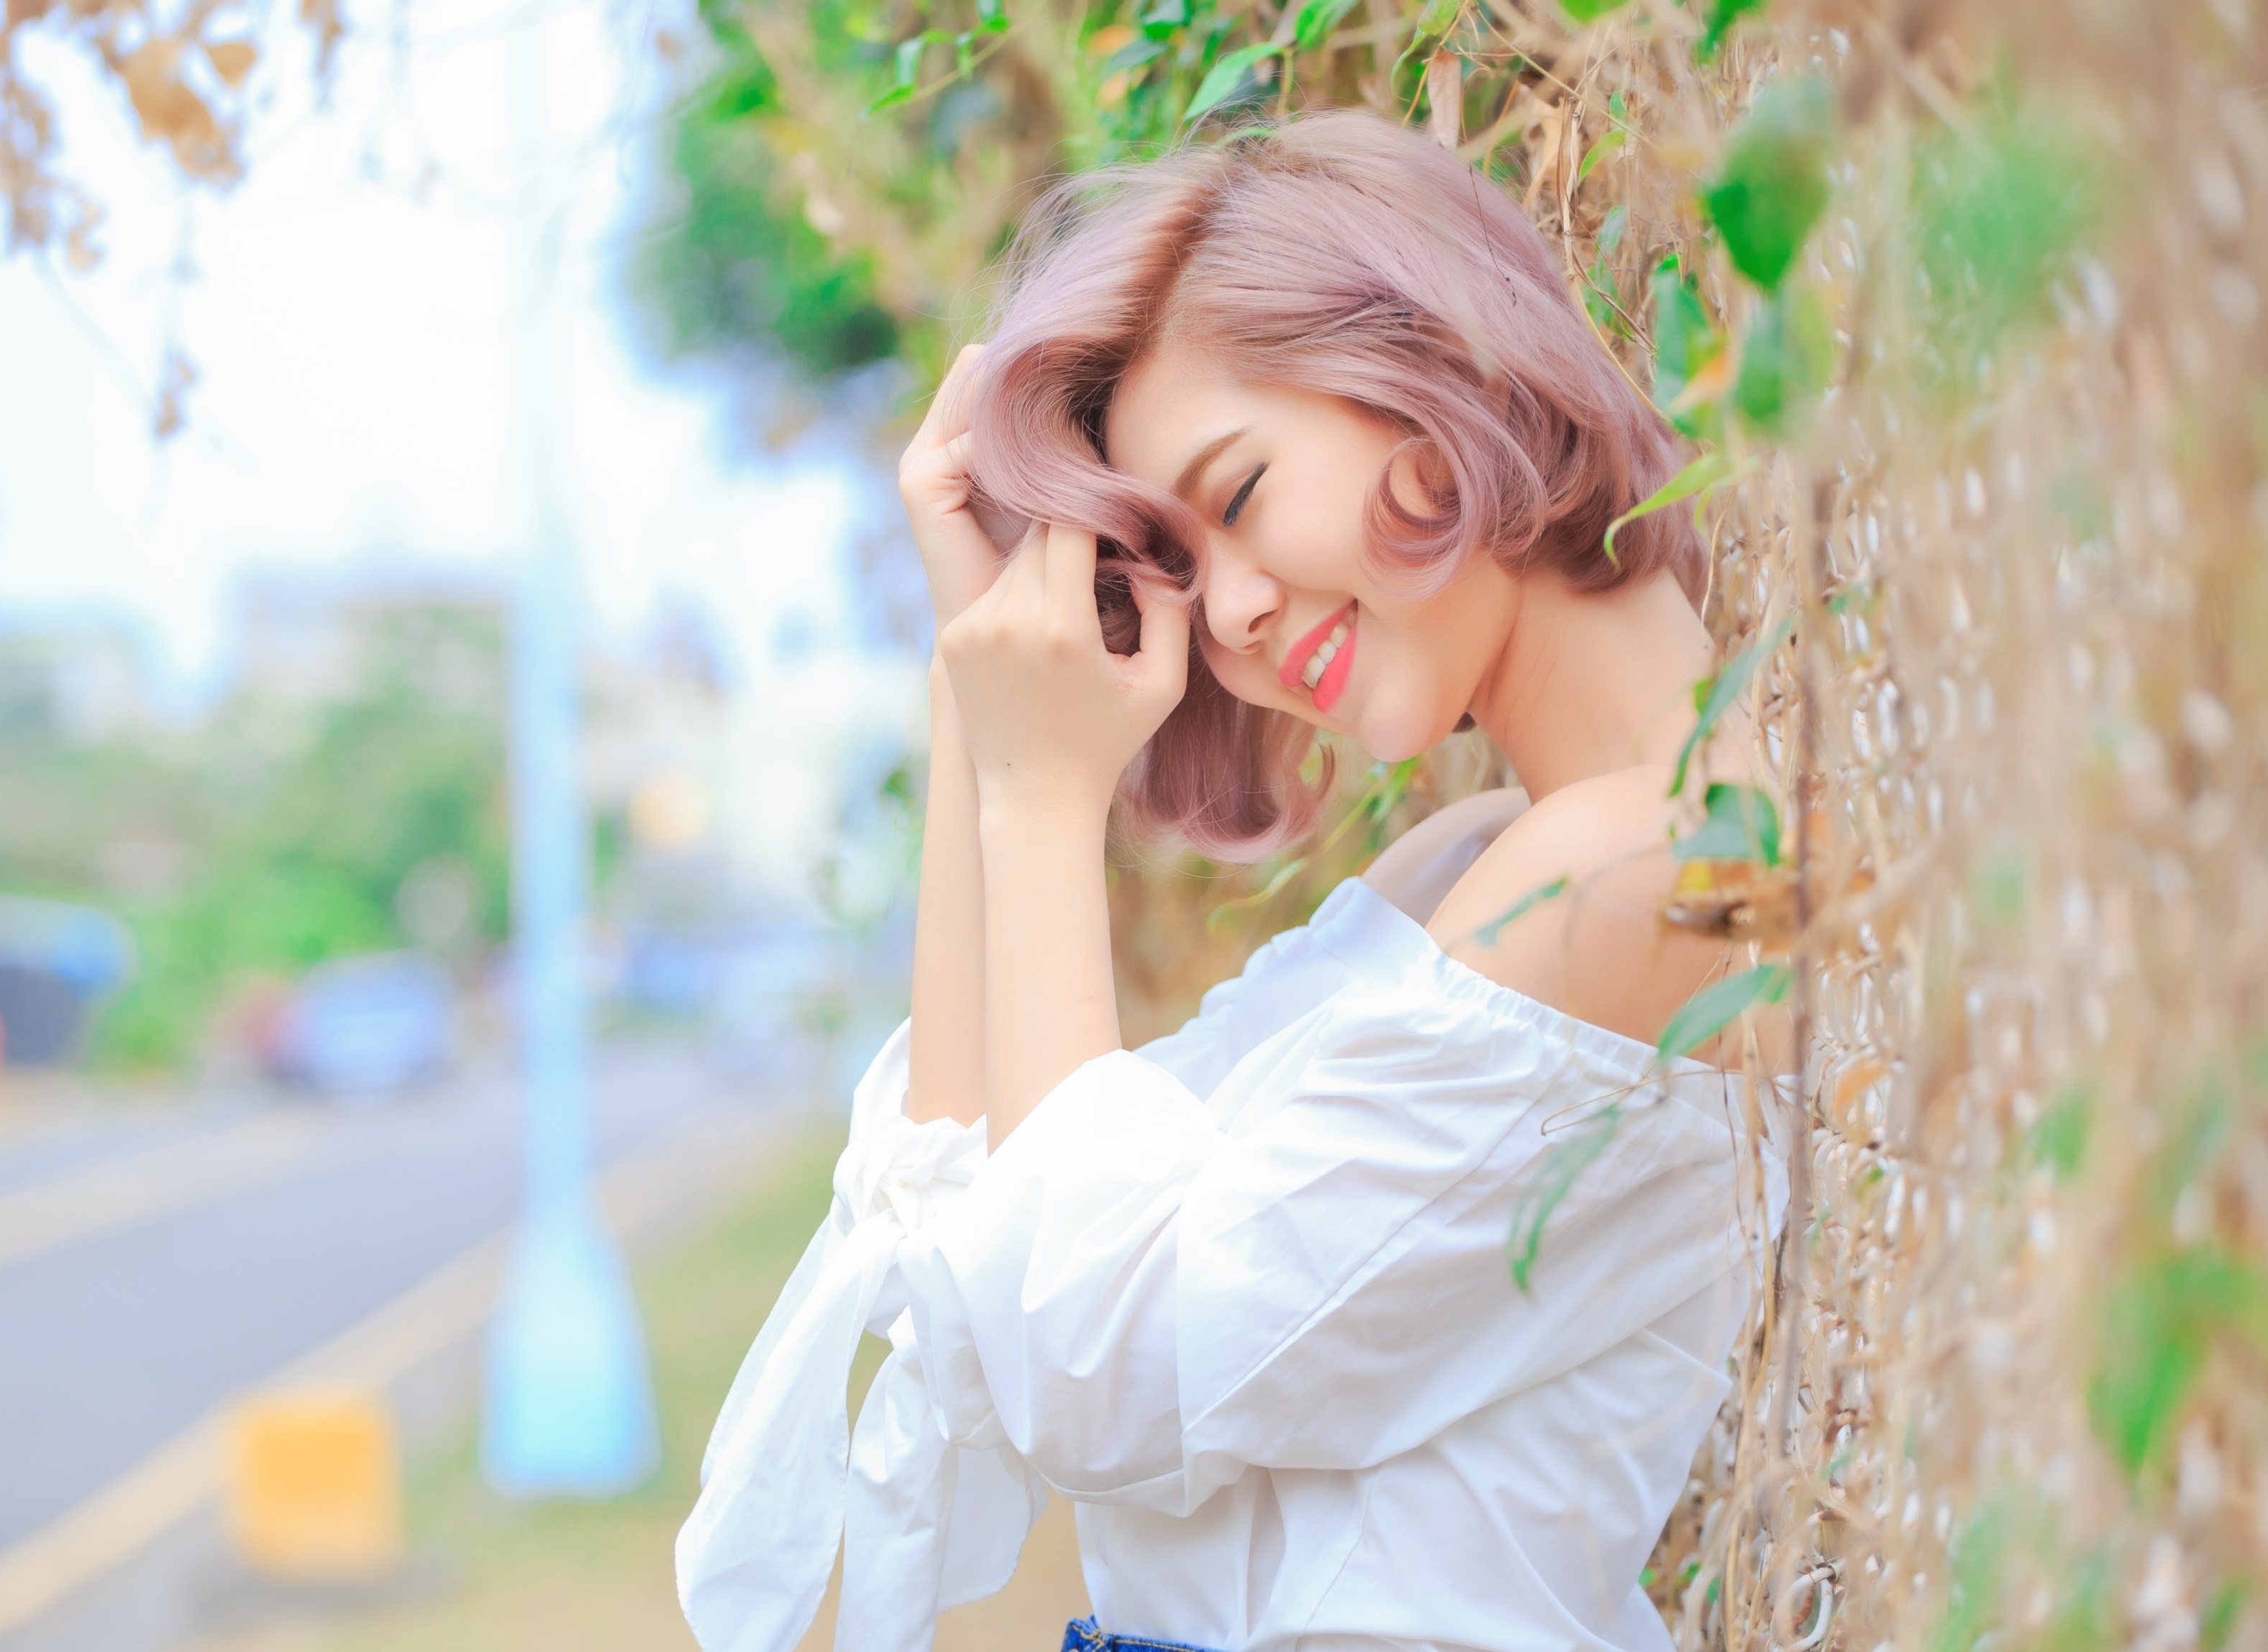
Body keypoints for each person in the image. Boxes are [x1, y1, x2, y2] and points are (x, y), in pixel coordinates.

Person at [678, 112, 1788, 1652]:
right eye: (1181, 566)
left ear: (1437, 362)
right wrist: (981, 683)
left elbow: (1092, 1368)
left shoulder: (1649, 879)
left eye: (1246, 490)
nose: (1241, 615)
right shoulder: (1471, 873)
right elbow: (973, 1263)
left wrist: (1048, 796)